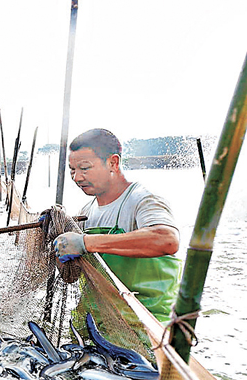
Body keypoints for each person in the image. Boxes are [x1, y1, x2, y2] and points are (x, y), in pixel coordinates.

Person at [53, 128, 181, 324]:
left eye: (85, 168)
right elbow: (72, 277)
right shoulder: (86, 211)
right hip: (95, 324)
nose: (77, 178)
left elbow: (167, 240)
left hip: (146, 326)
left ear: (113, 162)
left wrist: (86, 242)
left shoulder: (142, 200)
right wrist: (60, 253)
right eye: (72, 169)